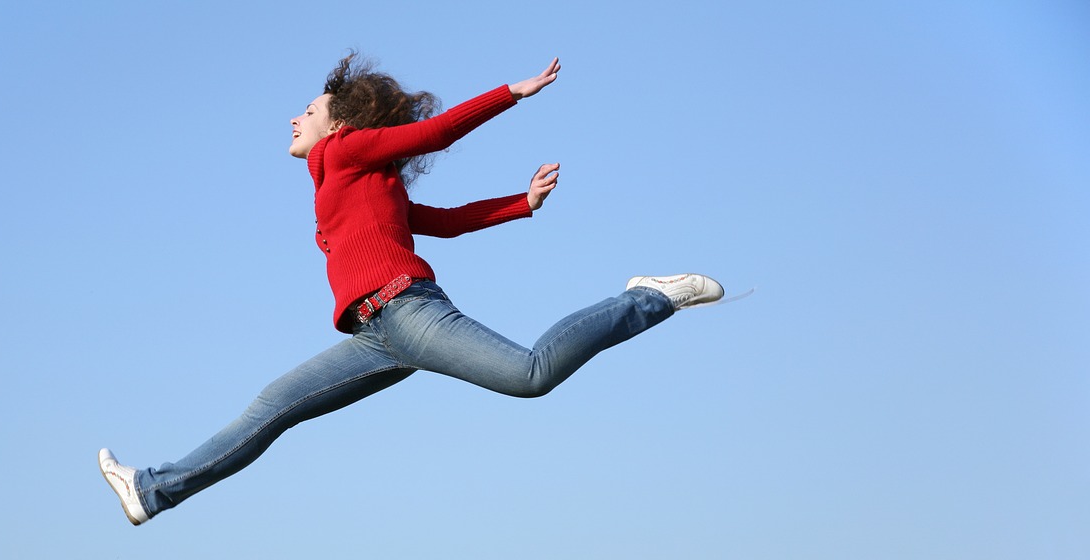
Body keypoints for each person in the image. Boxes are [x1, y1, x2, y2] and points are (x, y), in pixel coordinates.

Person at [99, 55, 725, 526]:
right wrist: (521, 203)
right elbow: (443, 221)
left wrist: (510, 93)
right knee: (273, 407)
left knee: (532, 375)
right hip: (376, 337)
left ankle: (647, 296)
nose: (295, 118)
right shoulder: (351, 186)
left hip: (406, 309)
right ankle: (153, 490)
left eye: (308, 111)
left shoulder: (348, 151)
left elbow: (437, 134)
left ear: (340, 122)